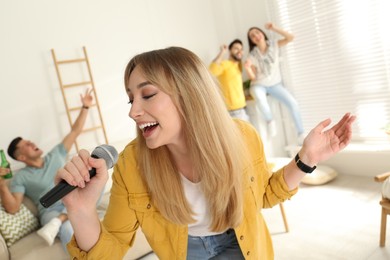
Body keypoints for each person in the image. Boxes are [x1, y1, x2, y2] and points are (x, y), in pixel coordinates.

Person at [56, 47, 355, 259]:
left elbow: (264, 194)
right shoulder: (132, 163)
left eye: (147, 95)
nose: (133, 111)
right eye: (130, 99)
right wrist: (80, 211)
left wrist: (307, 159)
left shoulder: (243, 136)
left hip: (244, 244)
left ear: (189, 93)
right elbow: (111, 248)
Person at [0, 89, 93, 253]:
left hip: (75, 200)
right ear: (21, 157)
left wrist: (85, 107)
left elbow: (75, 131)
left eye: (30, 141)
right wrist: (1, 183)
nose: (32, 143)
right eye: (27, 145)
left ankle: (61, 219)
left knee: (92, 187)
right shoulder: (21, 177)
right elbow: (13, 207)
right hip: (50, 211)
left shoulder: (56, 154)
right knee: (67, 230)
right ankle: (61, 220)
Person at [245, 23, 304, 140]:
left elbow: (291, 37)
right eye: (252, 36)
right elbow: (253, 78)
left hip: (275, 85)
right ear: (252, 41)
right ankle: (270, 120)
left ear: (262, 33)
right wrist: (247, 68)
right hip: (260, 84)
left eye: (257, 32)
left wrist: (274, 28)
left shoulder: (274, 44)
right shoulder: (252, 55)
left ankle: (301, 133)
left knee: (293, 103)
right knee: (258, 95)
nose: (256, 35)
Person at [209, 39, 249, 121]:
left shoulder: (238, 66)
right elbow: (211, 71)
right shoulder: (225, 64)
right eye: (236, 48)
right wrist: (222, 52)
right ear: (230, 50)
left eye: (241, 49)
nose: (239, 51)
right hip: (233, 110)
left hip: (242, 108)